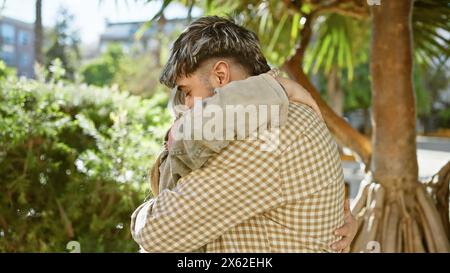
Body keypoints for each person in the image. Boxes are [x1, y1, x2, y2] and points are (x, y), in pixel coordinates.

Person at [131, 16, 357, 252]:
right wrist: (277, 87)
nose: (186, 106)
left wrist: (139, 217)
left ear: (220, 76)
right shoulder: (264, 116)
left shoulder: (264, 136)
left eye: (187, 92)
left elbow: (156, 233)